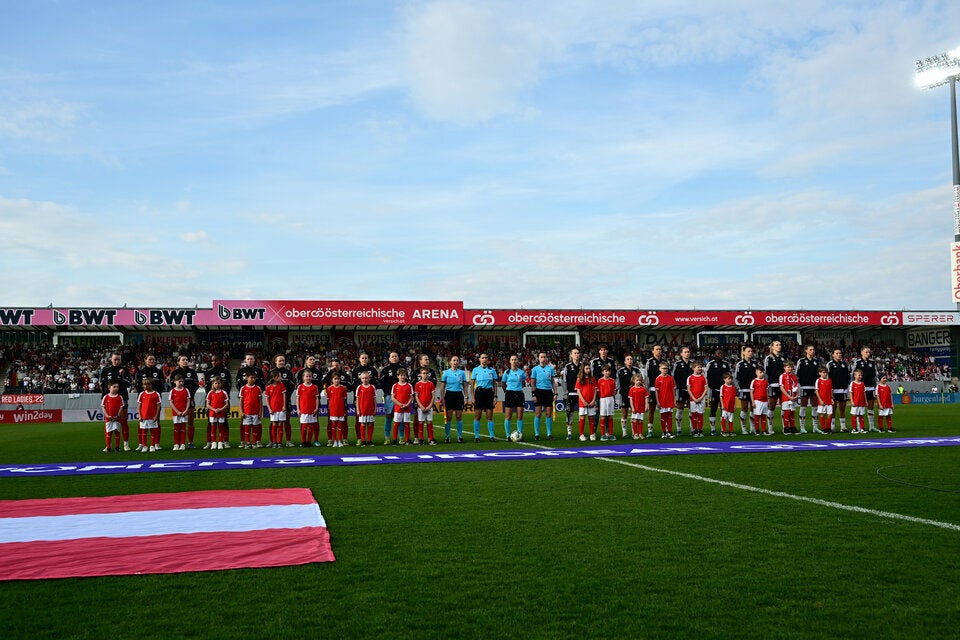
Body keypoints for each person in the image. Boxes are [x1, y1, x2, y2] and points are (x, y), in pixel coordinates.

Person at [98, 352, 131, 451]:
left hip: (122, 398)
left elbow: (129, 384)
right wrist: (105, 396)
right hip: (109, 400)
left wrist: (122, 376)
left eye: (119, 359)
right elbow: (102, 384)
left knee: (123, 421)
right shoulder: (105, 370)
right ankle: (108, 445)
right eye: (115, 359)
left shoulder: (124, 370)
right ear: (111, 359)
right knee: (108, 422)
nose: (117, 361)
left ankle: (126, 444)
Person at [169, 355, 201, 449]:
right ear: (178, 362)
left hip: (189, 400)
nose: (185, 361)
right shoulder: (174, 372)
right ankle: (178, 443)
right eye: (183, 360)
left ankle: (190, 442)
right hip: (178, 402)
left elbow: (196, 385)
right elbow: (172, 386)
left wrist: (190, 396)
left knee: (191, 422)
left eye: (187, 359)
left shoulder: (192, 372)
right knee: (178, 423)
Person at [136, 355, 165, 449]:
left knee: (156, 421)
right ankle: (141, 444)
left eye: (153, 359)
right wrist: (146, 393)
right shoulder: (140, 372)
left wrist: (153, 393)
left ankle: (157, 443)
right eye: (150, 359)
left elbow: (161, 385)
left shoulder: (159, 372)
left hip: (155, 400)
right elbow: (137, 386)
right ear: (145, 360)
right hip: (144, 400)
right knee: (141, 422)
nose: (152, 361)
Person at [268, 355, 297, 447]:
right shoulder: (271, 372)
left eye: (283, 361)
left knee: (286, 421)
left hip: (285, 401)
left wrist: (286, 396)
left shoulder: (288, 372)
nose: (281, 362)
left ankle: (288, 441)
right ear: (275, 361)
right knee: (273, 423)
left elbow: (293, 386)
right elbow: (267, 386)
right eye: (279, 361)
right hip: (274, 403)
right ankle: (272, 441)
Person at [439, 356, 468, 443]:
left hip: (459, 395)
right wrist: (442, 398)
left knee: (459, 416)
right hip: (449, 395)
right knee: (448, 417)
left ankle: (459, 437)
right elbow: (442, 386)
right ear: (450, 362)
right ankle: (447, 437)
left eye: (457, 360)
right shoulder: (446, 373)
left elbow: (465, 386)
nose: (455, 362)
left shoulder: (462, 373)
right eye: (454, 360)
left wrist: (466, 397)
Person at [530, 351, 557, 440]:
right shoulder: (535, 369)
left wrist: (555, 393)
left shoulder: (550, 369)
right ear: (538, 358)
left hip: (548, 392)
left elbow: (553, 382)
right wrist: (533, 394)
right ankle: (537, 434)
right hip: (538, 392)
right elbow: (532, 382)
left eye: (544, 357)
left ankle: (549, 434)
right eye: (541, 357)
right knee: (538, 414)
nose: (543, 358)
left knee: (548, 414)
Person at [378, 351, 406, 440]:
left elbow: (406, 382)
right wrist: (387, 392)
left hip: (401, 397)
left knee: (401, 417)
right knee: (389, 416)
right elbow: (381, 382)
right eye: (392, 356)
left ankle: (401, 437)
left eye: (396, 356)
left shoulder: (402, 369)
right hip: (389, 397)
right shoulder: (385, 369)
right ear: (389, 358)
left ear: (398, 357)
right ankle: (387, 438)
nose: (394, 357)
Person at [470, 353, 497, 442]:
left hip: (489, 392)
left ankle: (491, 436)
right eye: (482, 358)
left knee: (489, 416)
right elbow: (472, 384)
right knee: (477, 416)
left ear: (487, 359)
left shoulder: (492, 370)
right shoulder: (475, 370)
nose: (484, 359)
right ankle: (476, 436)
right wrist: (473, 397)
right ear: (480, 360)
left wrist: (495, 397)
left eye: (486, 358)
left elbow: (495, 384)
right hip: (479, 392)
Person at [590, 345, 617, 436]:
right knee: (597, 412)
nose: (603, 352)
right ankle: (594, 431)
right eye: (601, 350)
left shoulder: (611, 362)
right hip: (598, 391)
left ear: (607, 351)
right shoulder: (594, 362)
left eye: (605, 350)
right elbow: (592, 377)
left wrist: (615, 389)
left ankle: (607, 432)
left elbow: (614, 376)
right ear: (599, 352)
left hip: (609, 392)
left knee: (608, 413)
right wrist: (594, 390)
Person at [851, 346, 879, 432]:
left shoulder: (872, 362)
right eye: (866, 352)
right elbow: (852, 374)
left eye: (869, 352)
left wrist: (876, 386)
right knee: (859, 409)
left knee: (870, 408)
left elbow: (875, 375)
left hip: (871, 388)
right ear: (862, 352)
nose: (868, 353)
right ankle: (860, 427)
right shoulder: (857, 362)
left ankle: (871, 426)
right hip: (860, 388)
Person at [704, 349, 731, 437]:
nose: (720, 355)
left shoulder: (726, 364)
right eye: (718, 353)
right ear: (714, 354)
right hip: (714, 390)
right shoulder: (710, 364)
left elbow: (730, 377)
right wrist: (708, 388)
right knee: (713, 409)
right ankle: (713, 429)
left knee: (724, 410)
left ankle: (723, 429)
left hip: (724, 390)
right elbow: (706, 377)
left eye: (721, 353)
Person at [734, 345, 759, 434]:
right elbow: (736, 378)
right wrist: (738, 388)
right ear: (744, 352)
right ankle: (743, 428)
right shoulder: (740, 364)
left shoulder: (755, 363)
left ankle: (752, 427)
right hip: (744, 389)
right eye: (748, 351)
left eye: (751, 351)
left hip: (754, 390)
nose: (750, 353)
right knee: (744, 409)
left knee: (753, 409)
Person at [795, 345, 820, 433]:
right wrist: (798, 385)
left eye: (813, 349)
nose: (812, 351)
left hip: (814, 387)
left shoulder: (816, 361)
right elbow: (796, 374)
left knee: (815, 407)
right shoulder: (801, 361)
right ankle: (802, 427)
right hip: (804, 387)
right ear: (806, 351)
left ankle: (815, 427)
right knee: (803, 407)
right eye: (810, 349)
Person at [501, 354, 527, 441]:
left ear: (518, 361)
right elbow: (503, 383)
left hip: (519, 394)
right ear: (510, 361)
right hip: (509, 394)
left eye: (515, 359)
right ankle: (508, 436)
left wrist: (518, 389)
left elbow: (523, 382)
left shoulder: (521, 372)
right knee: (508, 416)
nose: (514, 361)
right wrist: (507, 391)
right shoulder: (506, 372)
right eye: (512, 359)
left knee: (520, 416)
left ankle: (520, 434)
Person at [671, 346, 695, 436]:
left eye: (688, 352)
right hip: (680, 390)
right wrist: (676, 388)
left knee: (691, 410)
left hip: (691, 391)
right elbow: (673, 377)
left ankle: (692, 429)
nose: (687, 353)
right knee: (680, 410)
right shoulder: (677, 364)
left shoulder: (693, 364)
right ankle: (678, 429)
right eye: (685, 352)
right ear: (681, 354)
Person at [617, 354, 642, 438]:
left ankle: (634, 432)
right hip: (624, 394)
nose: (630, 360)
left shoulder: (637, 370)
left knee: (634, 413)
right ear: (625, 361)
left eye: (631, 359)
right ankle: (624, 432)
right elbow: (618, 382)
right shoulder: (620, 371)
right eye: (628, 359)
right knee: (624, 413)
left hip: (635, 396)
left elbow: (641, 382)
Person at [763, 341, 785, 435]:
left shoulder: (783, 358)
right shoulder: (769, 358)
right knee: (771, 406)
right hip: (773, 385)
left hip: (783, 386)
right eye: (777, 345)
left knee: (785, 407)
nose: (779, 346)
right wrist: (767, 384)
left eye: (780, 345)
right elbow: (766, 373)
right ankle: (770, 427)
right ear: (772, 347)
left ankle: (785, 427)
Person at [644, 345, 667, 437]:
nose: (659, 351)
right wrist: (647, 389)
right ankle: (650, 430)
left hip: (664, 390)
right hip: (653, 389)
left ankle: (665, 430)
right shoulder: (649, 362)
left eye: (660, 349)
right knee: (651, 411)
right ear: (653, 351)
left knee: (665, 411)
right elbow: (646, 376)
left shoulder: (664, 362)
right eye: (657, 349)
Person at [827, 348, 851, 433]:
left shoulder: (845, 364)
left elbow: (848, 376)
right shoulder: (829, 364)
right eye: (836, 353)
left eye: (840, 353)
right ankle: (832, 427)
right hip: (833, 390)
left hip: (843, 389)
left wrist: (846, 384)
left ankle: (843, 427)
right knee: (833, 409)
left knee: (842, 408)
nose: (839, 355)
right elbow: (827, 377)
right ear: (833, 355)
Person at [562, 347, 583, 440]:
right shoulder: (567, 366)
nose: (576, 355)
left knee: (582, 413)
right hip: (571, 393)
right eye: (574, 353)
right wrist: (565, 392)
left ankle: (581, 433)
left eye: (578, 353)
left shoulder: (582, 366)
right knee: (569, 413)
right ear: (571, 355)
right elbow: (564, 381)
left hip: (581, 393)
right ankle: (569, 432)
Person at [238, 372, 263, 448]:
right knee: (247, 427)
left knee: (255, 427)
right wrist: (241, 411)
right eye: (251, 377)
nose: (253, 379)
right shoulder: (243, 388)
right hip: (247, 412)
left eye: (254, 378)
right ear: (247, 378)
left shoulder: (258, 388)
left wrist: (260, 411)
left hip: (255, 412)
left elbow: (260, 401)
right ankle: (248, 442)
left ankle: (255, 442)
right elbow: (241, 400)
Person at [296, 369, 320, 447]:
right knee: (304, 426)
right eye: (307, 376)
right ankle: (303, 442)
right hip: (303, 410)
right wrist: (298, 409)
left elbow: (317, 398)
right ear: (303, 377)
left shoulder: (314, 387)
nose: (308, 378)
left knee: (311, 426)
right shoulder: (300, 387)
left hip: (312, 410)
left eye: (310, 376)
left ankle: (309, 442)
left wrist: (316, 408)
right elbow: (297, 399)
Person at [205, 376, 230, 449]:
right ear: (213, 384)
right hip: (212, 413)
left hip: (221, 413)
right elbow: (207, 404)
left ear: (221, 384)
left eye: (219, 383)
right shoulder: (210, 393)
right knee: (213, 428)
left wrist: (221, 409)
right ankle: (213, 443)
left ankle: (220, 443)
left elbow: (227, 404)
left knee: (221, 428)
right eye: (215, 383)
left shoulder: (224, 392)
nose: (217, 385)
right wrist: (214, 409)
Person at [137, 377, 161, 452]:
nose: (144, 386)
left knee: (153, 431)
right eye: (143, 385)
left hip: (152, 417)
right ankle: (144, 446)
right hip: (144, 417)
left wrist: (156, 416)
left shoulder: (156, 394)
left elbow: (158, 406)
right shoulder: (142, 394)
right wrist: (140, 415)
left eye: (146, 385)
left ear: (150, 385)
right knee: (144, 431)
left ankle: (152, 446)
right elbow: (139, 405)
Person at [391, 369, 414, 444]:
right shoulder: (395, 385)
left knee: (406, 423)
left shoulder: (409, 385)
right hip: (398, 408)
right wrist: (400, 404)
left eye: (404, 375)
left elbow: (411, 397)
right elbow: (393, 397)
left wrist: (407, 404)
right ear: (398, 376)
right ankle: (394, 440)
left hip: (407, 408)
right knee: (396, 424)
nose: (403, 377)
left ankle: (407, 439)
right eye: (401, 375)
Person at [414, 368, 437, 445]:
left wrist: (430, 406)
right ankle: (421, 439)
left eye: (426, 373)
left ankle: (431, 439)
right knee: (421, 422)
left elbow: (433, 396)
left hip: (429, 407)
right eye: (423, 373)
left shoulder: (431, 384)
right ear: (420, 375)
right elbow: (416, 396)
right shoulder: (417, 384)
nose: (425, 375)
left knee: (429, 422)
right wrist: (421, 406)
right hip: (421, 407)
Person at [265, 372, 288, 448]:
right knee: (274, 424)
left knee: (280, 424)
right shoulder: (268, 387)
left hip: (281, 408)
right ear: (274, 378)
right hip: (273, 409)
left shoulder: (282, 385)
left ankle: (279, 442)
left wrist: (284, 405)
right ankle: (274, 442)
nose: (280, 378)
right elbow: (267, 399)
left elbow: (284, 396)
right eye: (279, 376)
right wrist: (269, 409)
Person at [100, 381, 125, 452]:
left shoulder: (120, 397)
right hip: (109, 419)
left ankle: (117, 447)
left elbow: (121, 406)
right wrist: (107, 415)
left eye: (117, 387)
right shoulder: (106, 397)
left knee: (117, 432)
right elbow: (103, 406)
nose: (116, 388)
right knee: (109, 432)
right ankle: (108, 447)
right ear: (109, 388)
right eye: (114, 387)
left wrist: (117, 415)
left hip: (117, 418)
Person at [575, 363, 597, 441]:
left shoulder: (593, 379)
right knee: (582, 417)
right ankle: (581, 434)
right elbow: (578, 391)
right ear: (583, 369)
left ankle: (592, 434)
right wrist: (583, 401)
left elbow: (595, 390)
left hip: (591, 401)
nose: (588, 370)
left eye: (589, 368)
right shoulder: (579, 379)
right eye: (586, 368)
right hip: (582, 402)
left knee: (591, 417)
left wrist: (593, 400)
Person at [169, 375, 191, 451]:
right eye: (179, 381)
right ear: (175, 382)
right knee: (176, 429)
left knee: (183, 428)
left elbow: (188, 401)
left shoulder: (186, 390)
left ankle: (183, 444)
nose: (181, 383)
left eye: (182, 381)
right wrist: (177, 411)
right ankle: (176, 444)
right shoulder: (172, 391)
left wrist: (186, 410)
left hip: (184, 413)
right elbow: (171, 403)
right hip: (176, 413)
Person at [355, 371, 377, 446]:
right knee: (363, 424)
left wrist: (375, 408)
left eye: (366, 378)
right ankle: (363, 440)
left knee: (370, 424)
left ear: (369, 378)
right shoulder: (359, 387)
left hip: (370, 409)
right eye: (363, 378)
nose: (365, 379)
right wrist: (358, 409)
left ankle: (369, 440)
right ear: (361, 379)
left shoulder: (372, 387)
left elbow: (374, 399)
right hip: (362, 409)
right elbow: (357, 400)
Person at [655, 362, 677, 438]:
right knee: (663, 417)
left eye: (666, 368)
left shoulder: (671, 378)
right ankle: (664, 432)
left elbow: (673, 390)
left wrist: (674, 400)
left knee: (669, 416)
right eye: (663, 368)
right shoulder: (658, 379)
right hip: (662, 401)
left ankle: (670, 432)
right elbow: (657, 391)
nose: (665, 370)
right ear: (660, 369)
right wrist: (658, 401)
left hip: (669, 400)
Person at [326, 373, 348, 447]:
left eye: (338, 379)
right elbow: (328, 400)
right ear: (332, 380)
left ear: (340, 379)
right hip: (333, 410)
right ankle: (335, 441)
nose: (336, 380)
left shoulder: (343, 388)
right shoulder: (329, 389)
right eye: (335, 379)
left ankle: (339, 441)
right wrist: (330, 408)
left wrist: (345, 409)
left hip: (341, 409)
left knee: (340, 425)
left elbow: (345, 400)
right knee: (333, 425)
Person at [686, 361, 708, 437]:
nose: (700, 368)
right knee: (694, 415)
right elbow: (689, 389)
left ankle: (700, 430)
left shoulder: (703, 378)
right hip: (693, 400)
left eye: (700, 367)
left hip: (701, 399)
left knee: (700, 415)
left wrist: (701, 398)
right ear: (693, 368)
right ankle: (694, 430)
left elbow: (706, 389)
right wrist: (694, 398)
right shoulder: (690, 378)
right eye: (698, 367)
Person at [596, 365, 617, 441]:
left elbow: (614, 391)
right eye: (605, 371)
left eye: (608, 371)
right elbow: (597, 392)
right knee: (603, 417)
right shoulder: (600, 381)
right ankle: (603, 434)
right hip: (603, 399)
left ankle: (611, 434)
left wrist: (613, 396)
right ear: (602, 372)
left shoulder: (612, 381)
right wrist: (597, 402)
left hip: (610, 399)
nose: (607, 372)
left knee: (610, 417)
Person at [779, 361, 800, 435]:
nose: (790, 368)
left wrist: (796, 395)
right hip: (786, 397)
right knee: (787, 412)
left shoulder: (794, 376)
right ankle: (785, 428)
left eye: (791, 367)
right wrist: (789, 396)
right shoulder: (782, 376)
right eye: (788, 367)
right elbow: (781, 387)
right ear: (784, 368)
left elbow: (797, 386)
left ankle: (792, 427)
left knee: (792, 412)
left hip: (793, 397)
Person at [750, 366, 771, 436]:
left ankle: (764, 430)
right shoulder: (754, 381)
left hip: (765, 401)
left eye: (763, 372)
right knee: (757, 416)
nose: (762, 374)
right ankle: (757, 430)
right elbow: (751, 392)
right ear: (756, 372)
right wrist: (753, 401)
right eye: (760, 372)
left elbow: (767, 391)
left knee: (764, 416)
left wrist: (768, 400)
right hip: (757, 401)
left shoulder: (765, 381)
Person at [628, 374, 648, 439]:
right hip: (635, 408)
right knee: (634, 420)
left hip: (641, 408)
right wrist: (632, 407)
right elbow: (631, 399)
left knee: (640, 421)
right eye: (637, 380)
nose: (638, 381)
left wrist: (646, 406)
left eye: (639, 380)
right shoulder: (632, 389)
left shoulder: (643, 389)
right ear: (634, 381)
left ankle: (640, 434)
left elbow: (646, 398)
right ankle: (635, 434)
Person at [815, 366, 834, 434]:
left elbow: (831, 390)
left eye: (826, 372)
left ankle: (828, 428)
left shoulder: (829, 380)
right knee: (822, 414)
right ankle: (824, 428)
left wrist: (832, 398)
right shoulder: (818, 380)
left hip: (829, 400)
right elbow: (817, 391)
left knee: (829, 414)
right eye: (823, 372)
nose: (825, 374)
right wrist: (820, 400)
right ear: (820, 373)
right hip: (822, 401)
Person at [719, 372, 738, 436]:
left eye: (730, 379)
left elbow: (734, 397)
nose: (730, 380)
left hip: (731, 406)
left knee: (731, 419)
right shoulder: (723, 387)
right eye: (728, 379)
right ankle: (723, 431)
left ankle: (731, 431)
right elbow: (721, 396)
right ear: (724, 379)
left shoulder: (733, 387)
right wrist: (722, 404)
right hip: (725, 406)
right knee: (724, 418)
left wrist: (735, 405)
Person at [849, 369, 867, 434]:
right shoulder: (852, 383)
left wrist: (866, 401)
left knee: (861, 415)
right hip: (855, 402)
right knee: (854, 415)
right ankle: (854, 428)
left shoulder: (862, 384)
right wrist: (852, 401)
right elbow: (851, 393)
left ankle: (862, 428)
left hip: (862, 402)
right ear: (855, 375)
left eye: (861, 375)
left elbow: (864, 393)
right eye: (859, 375)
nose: (860, 376)